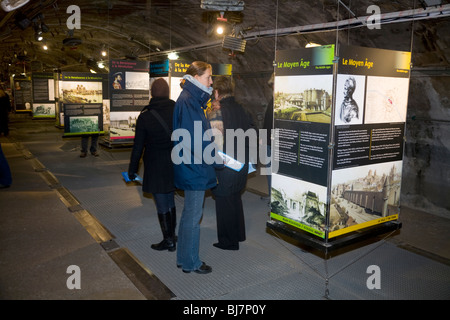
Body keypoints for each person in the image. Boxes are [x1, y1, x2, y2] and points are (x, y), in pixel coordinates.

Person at [172, 61, 220, 274]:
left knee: (189, 215)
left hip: (190, 165)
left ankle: (183, 259)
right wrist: (218, 159)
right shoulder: (190, 101)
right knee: (193, 217)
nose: (211, 81)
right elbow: (197, 141)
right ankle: (191, 262)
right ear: (196, 77)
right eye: (208, 77)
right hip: (194, 167)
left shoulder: (189, 99)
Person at [128, 78, 177, 252]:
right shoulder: (177, 110)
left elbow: (138, 147)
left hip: (156, 165)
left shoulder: (146, 116)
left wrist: (132, 170)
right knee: (170, 199)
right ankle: (172, 234)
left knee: (162, 203)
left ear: (151, 94)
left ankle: (168, 240)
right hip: (174, 163)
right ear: (168, 93)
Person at [209, 76, 253, 250]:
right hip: (241, 163)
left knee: (224, 202)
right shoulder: (243, 109)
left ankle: (228, 241)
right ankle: (239, 234)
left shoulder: (217, 113)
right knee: (235, 198)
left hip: (225, 165)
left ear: (217, 92)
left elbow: (214, 145)